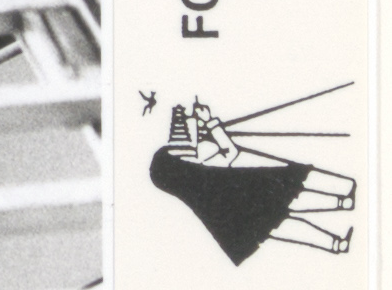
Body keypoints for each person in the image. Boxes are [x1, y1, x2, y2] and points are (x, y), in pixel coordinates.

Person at [149, 100, 355, 260]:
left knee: (288, 219)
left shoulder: (194, 188)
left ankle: (337, 240)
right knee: (291, 194)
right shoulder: (202, 173)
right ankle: (341, 204)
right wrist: (210, 122)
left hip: (230, 222)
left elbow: (227, 152)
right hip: (245, 200)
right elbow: (230, 152)